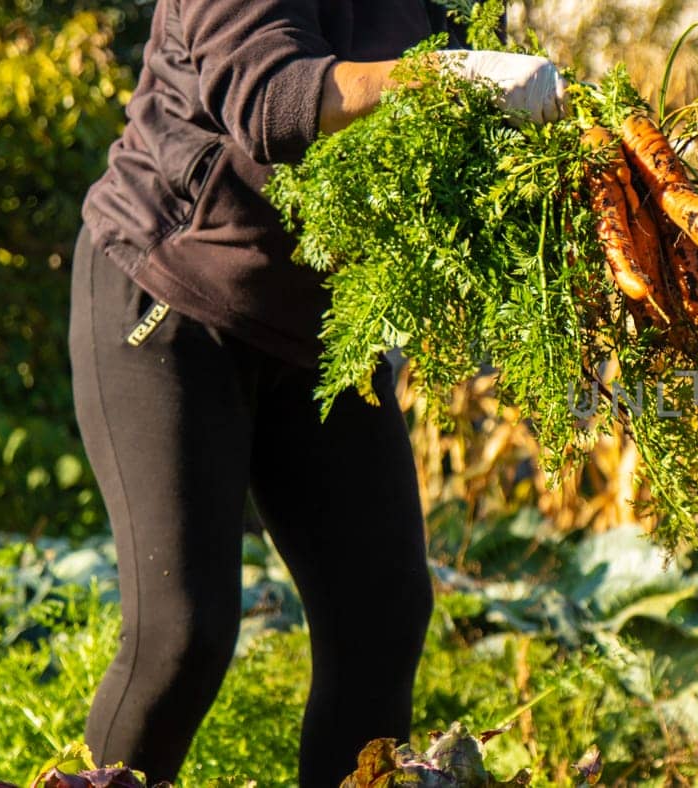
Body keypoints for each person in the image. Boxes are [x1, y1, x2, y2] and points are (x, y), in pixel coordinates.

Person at [69, 2, 566, 784]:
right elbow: (273, 101)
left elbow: (449, 158)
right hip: (174, 292)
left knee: (382, 613)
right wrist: (448, 79)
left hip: (323, 329)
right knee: (182, 635)